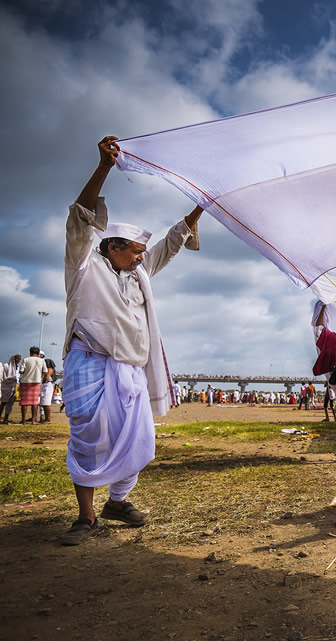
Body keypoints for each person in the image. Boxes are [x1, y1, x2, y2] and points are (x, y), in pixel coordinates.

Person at [59, 136, 202, 546]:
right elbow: (81, 217)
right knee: (89, 438)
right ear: (112, 247)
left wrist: (200, 206)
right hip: (89, 364)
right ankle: (85, 517)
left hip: (129, 370)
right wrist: (103, 167)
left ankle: (117, 502)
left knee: (139, 439)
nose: (143, 257)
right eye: (136, 251)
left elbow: (171, 245)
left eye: (142, 252)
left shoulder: (138, 272)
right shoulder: (83, 264)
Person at [18, 347, 46, 425]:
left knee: (24, 402)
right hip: (36, 382)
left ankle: (23, 420)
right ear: (38, 354)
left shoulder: (26, 360)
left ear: (30, 353)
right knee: (34, 402)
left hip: (25, 382)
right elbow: (45, 371)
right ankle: (33, 420)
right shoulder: (42, 361)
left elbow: (21, 371)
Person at [1, 354, 21, 424]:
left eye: (19, 359)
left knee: (10, 404)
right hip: (6, 387)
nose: (18, 360)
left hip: (14, 388)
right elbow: (4, 377)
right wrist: (12, 380)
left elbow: (17, 379)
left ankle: (6, 418)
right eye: (17, 358)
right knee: (3, 403)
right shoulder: (6, 366)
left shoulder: (18, 368)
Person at [39, 358, 57, 423]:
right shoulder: (49, 370)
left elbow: (46, 377)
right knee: (44, 403)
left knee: (46, 403)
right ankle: (46, 418)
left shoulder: (49, 369)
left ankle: (48, 419)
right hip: (46, 385)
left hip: (46, 385)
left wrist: (43, 381)